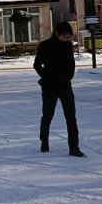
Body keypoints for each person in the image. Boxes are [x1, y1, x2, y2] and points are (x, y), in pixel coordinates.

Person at [33, 20, 84, 157]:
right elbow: (37, 65)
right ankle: (44, 141)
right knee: (48, 115)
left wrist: (69, 76)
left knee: (71, 117)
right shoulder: (45, 45)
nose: (67, 39)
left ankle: (74, 147)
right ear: (57, 34)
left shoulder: (68, 46)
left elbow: (71, 64)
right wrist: (47, 77)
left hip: (65, 86)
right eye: (64, 36)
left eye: (69, 36)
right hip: (49, 87)